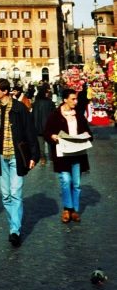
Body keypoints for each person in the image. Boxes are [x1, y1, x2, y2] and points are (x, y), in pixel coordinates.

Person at [0, 78, 40, 247]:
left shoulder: (20, 108)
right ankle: (13, 225)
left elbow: (31, 132)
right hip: (0, 156)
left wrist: (34, 156)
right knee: (6, 195)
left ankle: (14, 230)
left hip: (17, 156)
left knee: (15, 193)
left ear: (4, 92)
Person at [44, 88, 92, 223]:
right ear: (65, 100)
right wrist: (52, 136)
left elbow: (88, 132)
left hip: (77, 153)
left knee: (76, 184)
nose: (75, 102)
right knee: (66, 180)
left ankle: (75, 210)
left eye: (76, 99)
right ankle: (67, 208)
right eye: (73, 99)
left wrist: (86, 136)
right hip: (62, 154)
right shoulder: (55, 115)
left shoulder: (79, 115)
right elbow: (47, 132)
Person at [32, 84, 55, 165]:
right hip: (49, 127)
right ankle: (52, 158)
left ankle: (43, 159)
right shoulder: (50, 103)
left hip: (37, 127)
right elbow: (53, 115)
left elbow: (33, 115)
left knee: (40, 145)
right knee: (50, 144)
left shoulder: (35, 103)